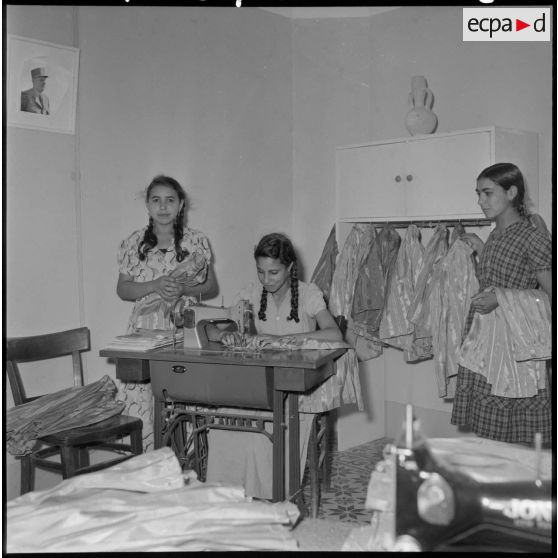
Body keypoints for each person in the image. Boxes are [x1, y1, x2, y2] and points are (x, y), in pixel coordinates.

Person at [205, 232, 343, 499]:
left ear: (290, 267)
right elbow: (214, 330)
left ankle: (273, 496)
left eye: (274, 273)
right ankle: (227, 498)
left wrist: (282, 339)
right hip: (260, 385)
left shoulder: (308, 294)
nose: (266, 280)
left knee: (265, 431)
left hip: (298, 390)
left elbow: (334, 334)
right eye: (261, 272)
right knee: (224, 423)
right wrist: (226, 335)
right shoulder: (251, 293)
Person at [451, 162, 552, 446]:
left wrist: (501, 298)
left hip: (515, 343)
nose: (480, 201)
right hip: (485, 336)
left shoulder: (533, 238)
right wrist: (482, 250)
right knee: (489, 426)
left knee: (514, 425)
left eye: (487, 193)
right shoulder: (495, 235)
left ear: (511, 192)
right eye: (478, 194)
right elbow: (497, 277)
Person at [116, 174, 217, 451]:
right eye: (156, 200)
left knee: (186, 395)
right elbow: (123, 289)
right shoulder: (134, 243)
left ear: (180, 204)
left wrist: (183, 291)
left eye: (170, 200)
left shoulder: (196, 241)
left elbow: (210, 286)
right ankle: (150, 467)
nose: (163, 207)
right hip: (144, 333)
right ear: (148, 205)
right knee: (145, 398)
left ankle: (191, 466)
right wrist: (155, 285)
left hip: (182, 329)